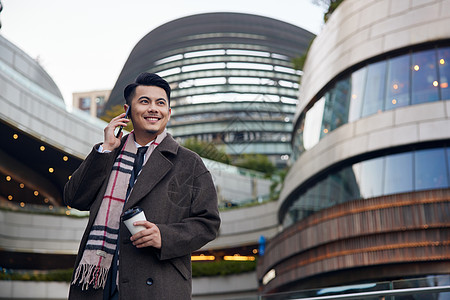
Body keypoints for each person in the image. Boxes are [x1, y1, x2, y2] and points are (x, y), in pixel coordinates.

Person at [64, 72, 220, 299]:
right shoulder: (109, 152)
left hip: (157, 284)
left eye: (160, 103)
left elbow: (208, 223)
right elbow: (74, 198)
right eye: (144, 101)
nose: (153, 109)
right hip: (97, 284)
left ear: (168, 112)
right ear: (128, 110)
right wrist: (105, 149)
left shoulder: (189, 162)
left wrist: (165, 236)